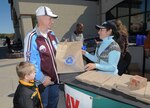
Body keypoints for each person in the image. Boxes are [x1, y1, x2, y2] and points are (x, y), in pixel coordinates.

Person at [24, 6, 59, 108]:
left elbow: (58, 53)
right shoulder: (32, 37)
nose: (52, 21)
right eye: (50, 18)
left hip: (55, 79)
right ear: (41, 18)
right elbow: (29, 63)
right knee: (43, 105)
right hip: (42, 82)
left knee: (54, 103)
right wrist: (43, 78)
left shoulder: (52, 34)